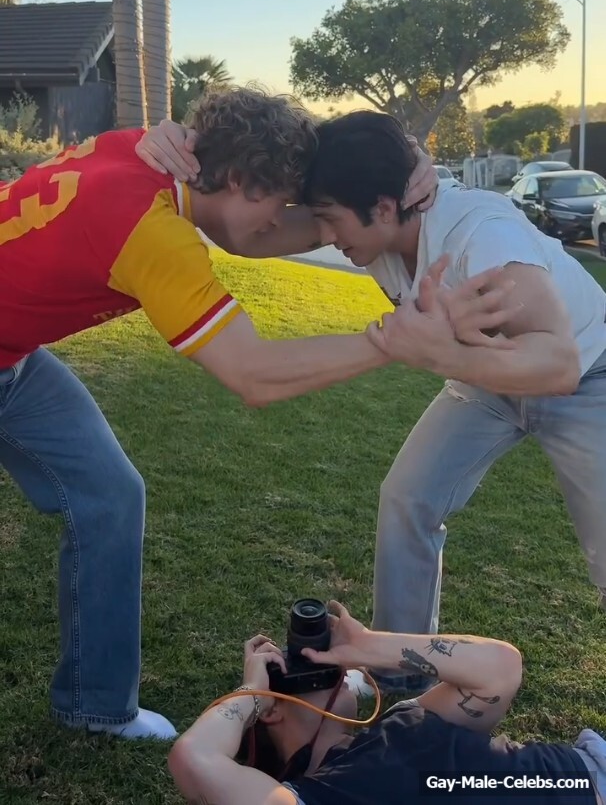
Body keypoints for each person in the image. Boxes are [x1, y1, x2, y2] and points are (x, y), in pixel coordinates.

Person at [0, 89, 505, 739]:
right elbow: (253, 374)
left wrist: (390, 177)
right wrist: (394, 340)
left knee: (109, 497)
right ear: (239, 179)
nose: (283, 223)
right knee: (108, 496)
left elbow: (263, 229)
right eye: (281, 205)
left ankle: (95, 707)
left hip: (13, 358)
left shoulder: (147, 155)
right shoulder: (153, 233)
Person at [139, 109, 606, 696]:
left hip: (589, 376)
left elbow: (558, 365)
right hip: (488, 384)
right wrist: (179, 151)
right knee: (408, 498)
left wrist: (440, 355)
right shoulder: (375, 219)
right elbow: (243, 236)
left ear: (384, 207)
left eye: (331, 220)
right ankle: (399, 679)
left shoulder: (482, 236)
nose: (326, 235)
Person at [167, 600, 606, 805]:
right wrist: (253, 692)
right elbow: (193, 759)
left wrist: (368, 645)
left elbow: (500, 670)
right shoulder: (313, 797)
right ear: (272, 711)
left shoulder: (402, 720)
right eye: (291, 670)